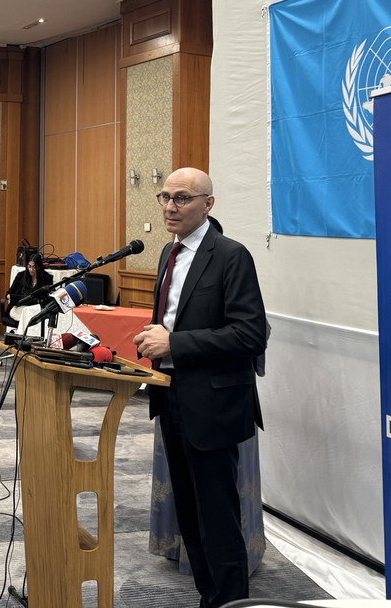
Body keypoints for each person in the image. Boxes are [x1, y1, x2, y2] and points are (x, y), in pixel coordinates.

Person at [133, 167, 267, 607]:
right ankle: (209, 597)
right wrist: (156, 340)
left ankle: (231, 601)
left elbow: (249, 335)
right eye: (165, 197)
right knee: (188, 514)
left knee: (218, 517)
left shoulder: (231, 255)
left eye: (182, 198)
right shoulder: (167, 254)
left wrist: (174, 341)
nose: (170, 206)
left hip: (214, 405)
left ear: (208, 204)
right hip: (170, 396)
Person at [3, 253, 53, 324]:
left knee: (35, 317)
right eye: (29, 266)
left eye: (34, 267)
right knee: (22, 315)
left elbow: (48, 297)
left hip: (36, 308)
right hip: (20, 306)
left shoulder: (47, 278)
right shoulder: (21, 276)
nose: (31, 269)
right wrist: (9, 296)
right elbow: (10, 292)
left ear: (39, 267)